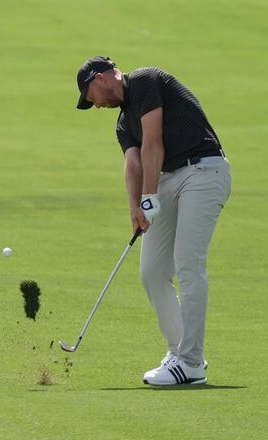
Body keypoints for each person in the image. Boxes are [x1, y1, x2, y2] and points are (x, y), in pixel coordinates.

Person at [75, 56, 231, 385]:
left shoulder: (145, 80)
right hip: (170, 180)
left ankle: (188, 362)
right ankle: (182, 354)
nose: (97, 105)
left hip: (203, 170)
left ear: (101, 78)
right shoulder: (122, 123)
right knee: (152, 272)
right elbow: (134, 163)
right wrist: (135, 207)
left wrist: (149, 199)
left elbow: (153, 142)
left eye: (92, 97)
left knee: (188, 263)